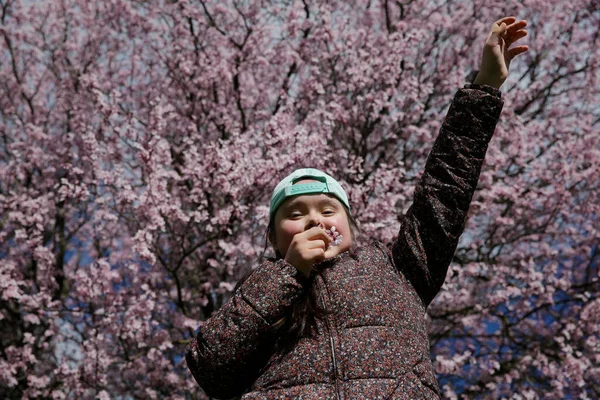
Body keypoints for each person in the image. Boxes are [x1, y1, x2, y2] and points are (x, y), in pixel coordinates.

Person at [186, 16, 529, 399]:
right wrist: (287, 276)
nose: (314, 218)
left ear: (351, 224)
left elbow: (444, 191)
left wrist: (483, 89)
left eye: (328, 210)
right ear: (273, 237)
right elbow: (212, 369)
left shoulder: (401, 269)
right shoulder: (261, 294)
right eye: (295, 214)